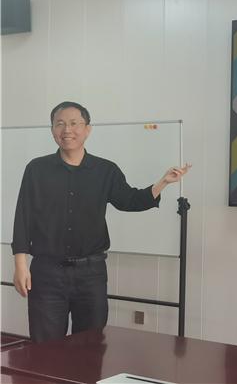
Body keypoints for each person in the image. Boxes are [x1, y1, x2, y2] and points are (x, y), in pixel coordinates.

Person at [11, 101, 191, 343]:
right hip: (47, 273)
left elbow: (130, 200)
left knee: (90, 346)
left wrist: (163, 182)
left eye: (74, 123)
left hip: (91, 274)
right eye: (60, 124)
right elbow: (23, 216)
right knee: (46, 347)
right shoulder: (37, 169)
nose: (67, 130)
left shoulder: (105, 170)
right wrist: (20, 266)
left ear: (87, 129)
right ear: (52, 129)